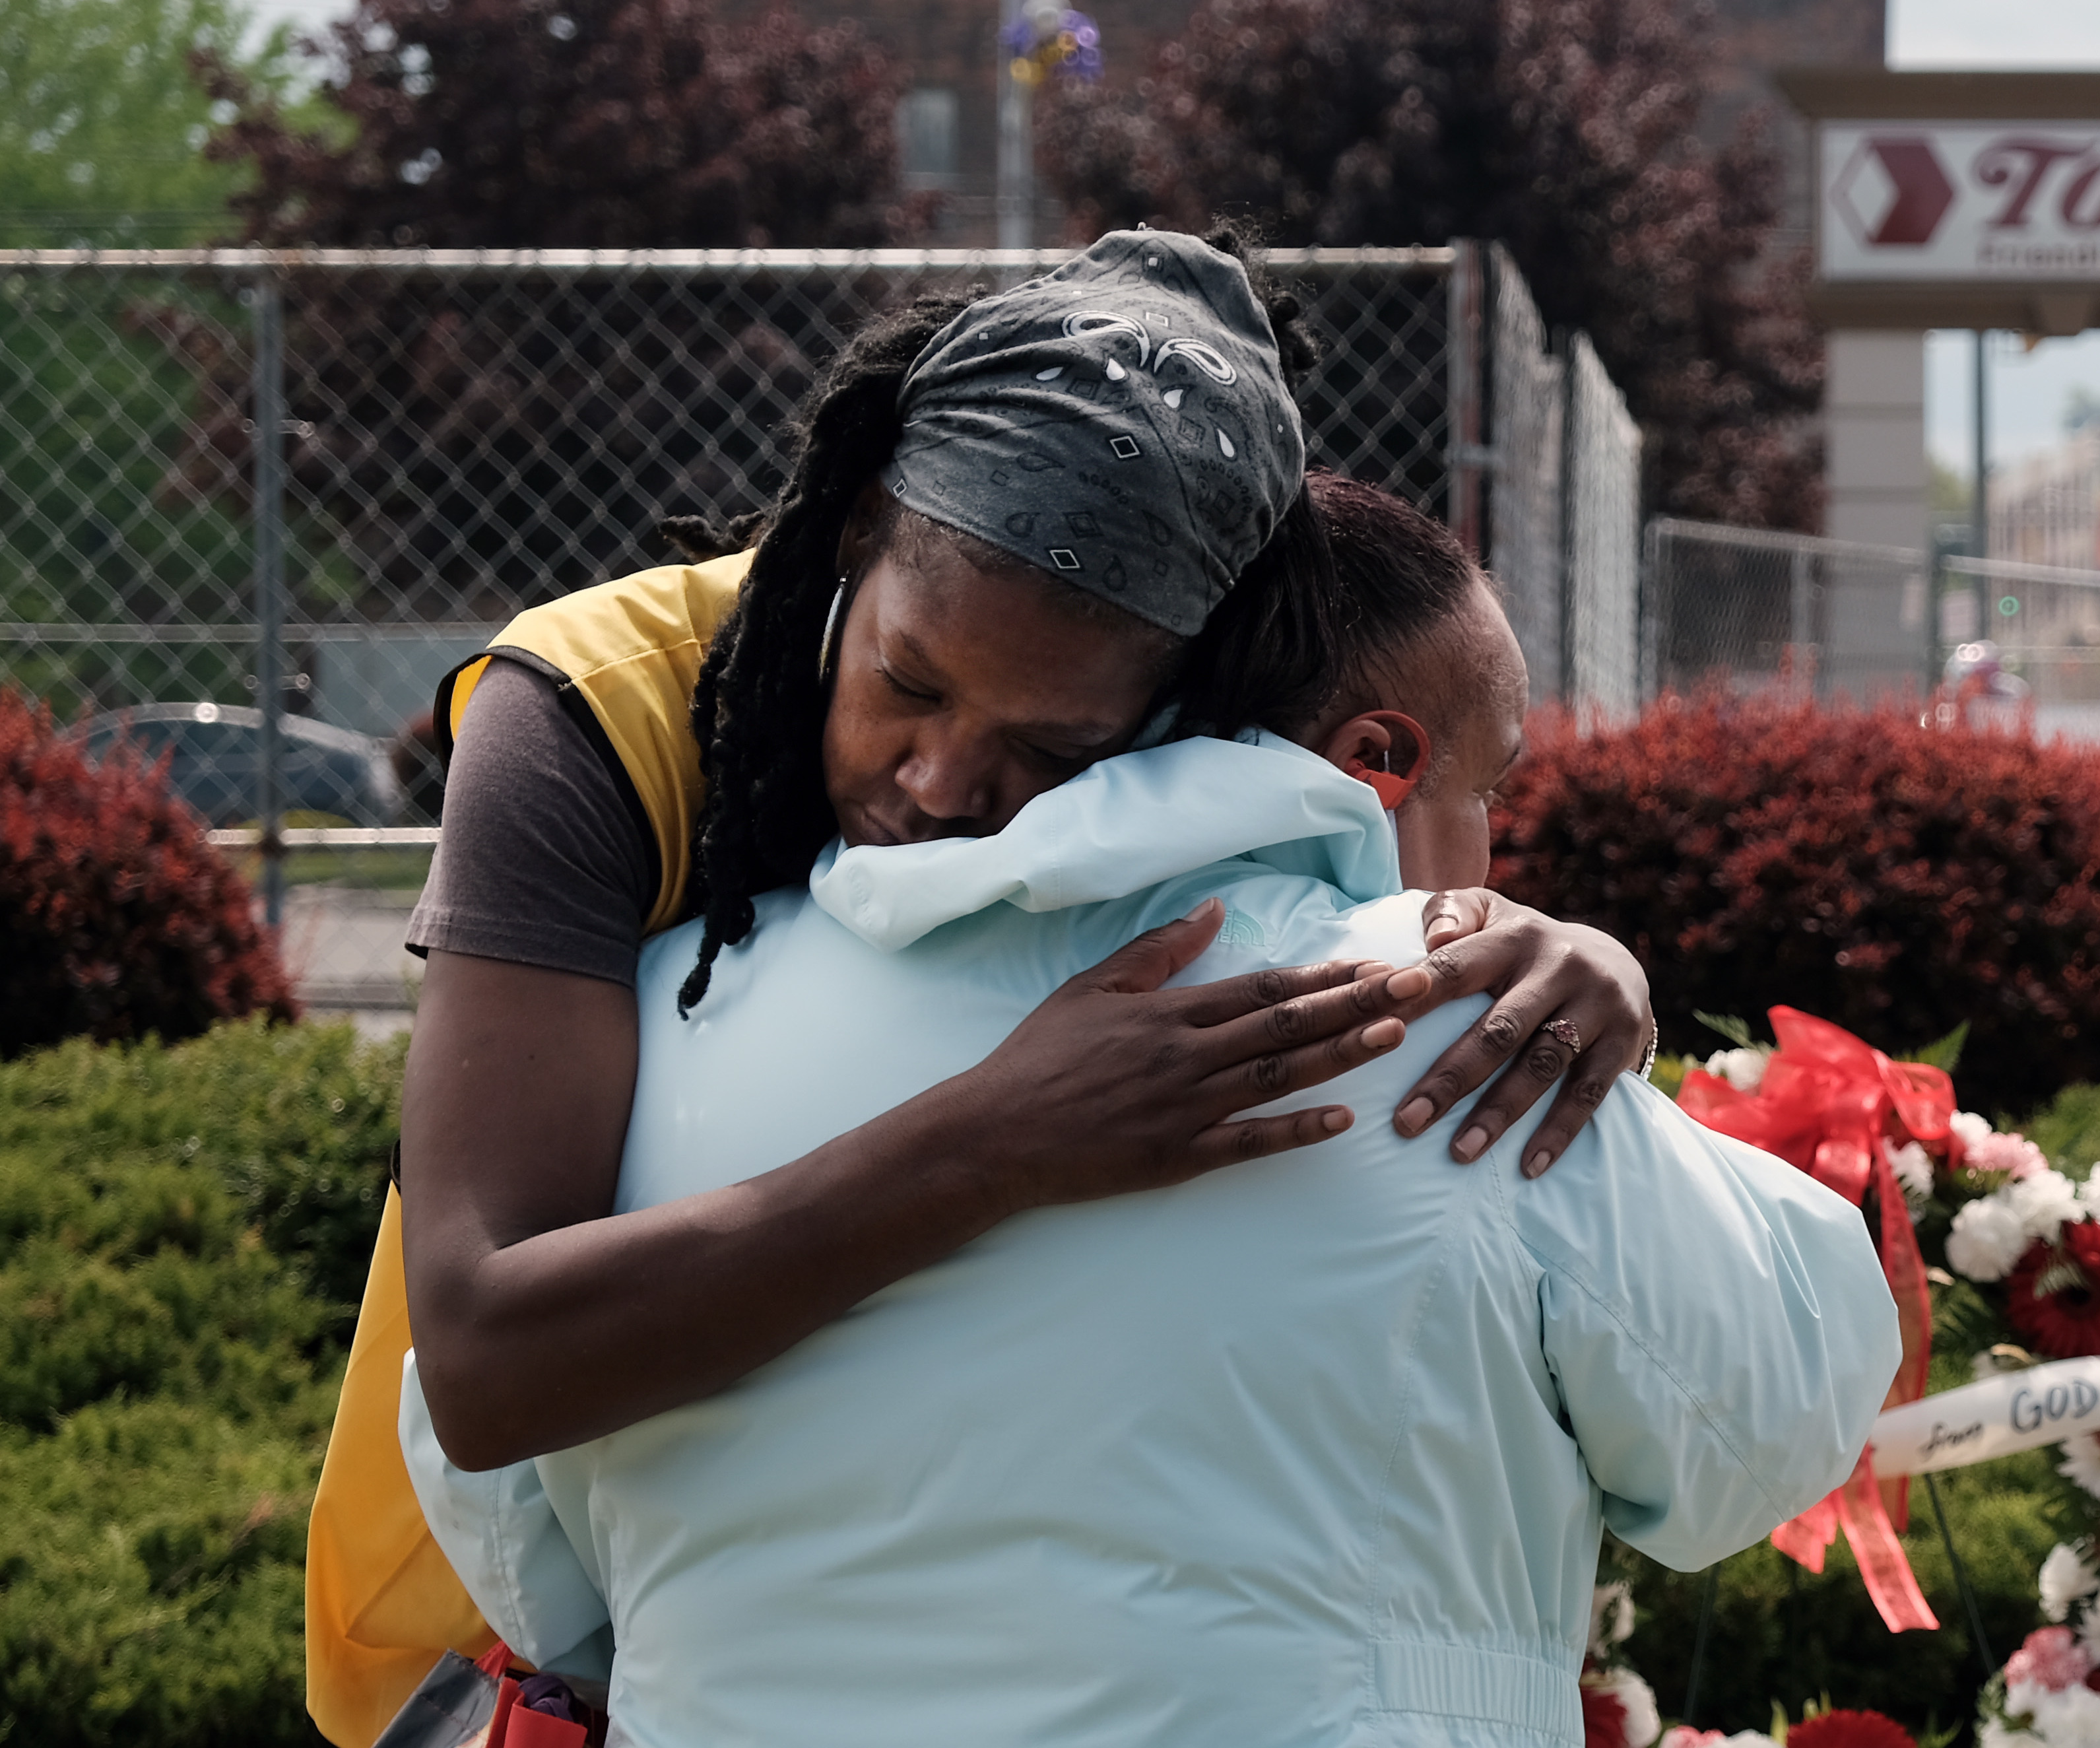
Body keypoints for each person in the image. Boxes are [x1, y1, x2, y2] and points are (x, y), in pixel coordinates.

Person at [308, 230, 1662, 1743]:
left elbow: (1356, 858)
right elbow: (494, 1358)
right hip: (507, 1618)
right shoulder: (589, 708)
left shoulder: (1182, 728)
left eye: (1054, 747)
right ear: (856, 531)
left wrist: (1531, 942)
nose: (943, 782)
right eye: (907, 681)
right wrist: (997, 1140)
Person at [401, 475, 1899, 1745]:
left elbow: (520, 1552)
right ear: (1373, 766)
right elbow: (1765, 1431)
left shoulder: (667, 1011)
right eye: (1492, 789)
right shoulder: (1464, 1038)